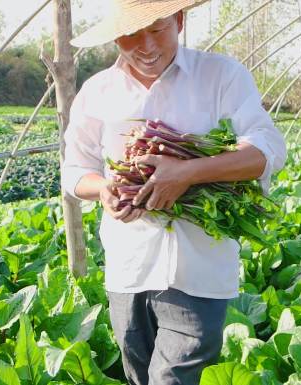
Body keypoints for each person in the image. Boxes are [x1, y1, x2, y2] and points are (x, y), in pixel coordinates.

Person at [61, 1, 287, 384]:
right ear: (116, 35)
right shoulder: (98, 91)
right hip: (128, 269)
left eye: (157, 28)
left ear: (179, 21)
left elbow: (267, 150)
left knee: (173, 378)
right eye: (132, 33)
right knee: (139, 376)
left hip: (197, 271)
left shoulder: (221, 76)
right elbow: (74, 170)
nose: (146, 45)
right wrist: (103, 190)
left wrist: (187, 173)